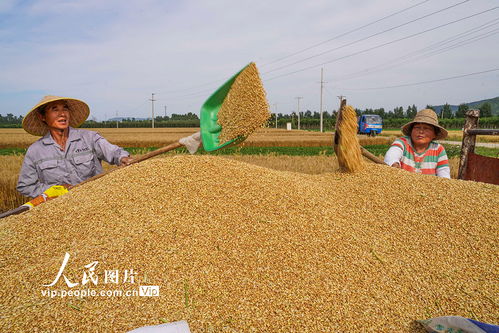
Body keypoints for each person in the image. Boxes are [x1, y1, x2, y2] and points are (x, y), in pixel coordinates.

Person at [17, 95, 133, 198]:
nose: (62, 113)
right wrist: (55, 190)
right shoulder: (35, 151)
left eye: (65, 108)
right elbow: (25, 186)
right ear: (42, 117)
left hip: (95, 202)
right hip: (58, 209)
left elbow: (114, 152)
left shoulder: (89, 138)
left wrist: (123, 158)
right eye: (54, 109)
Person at [384, 108, 450, 178]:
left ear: (434, 134)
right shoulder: (403, 142)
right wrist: (394, 163)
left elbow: (444, 174)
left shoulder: (438, 149)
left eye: (426, 128)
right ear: (411, 131)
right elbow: (392, 154)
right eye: (417, 127)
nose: (421, 131)